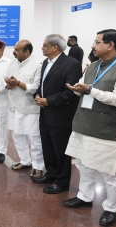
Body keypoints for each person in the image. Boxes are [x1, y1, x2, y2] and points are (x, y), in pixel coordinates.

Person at [63, 29, 116, 227]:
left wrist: (90, 89)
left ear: (110, 45)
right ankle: (84, 197)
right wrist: (78, 89)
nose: (92, 46)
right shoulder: (94, 65)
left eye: (96, 42)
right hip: (85, 123)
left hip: (108, 129)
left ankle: (112, 208)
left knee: (110, 173)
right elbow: (84, 86)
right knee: (84, 165)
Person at [32, 34, 82, 194]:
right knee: (47, 145)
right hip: (45, 113)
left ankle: (61, 181)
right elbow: (43, 84)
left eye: (45, 45)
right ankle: (51, 173)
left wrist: (49, 101)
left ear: (55, 47)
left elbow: (71, 92)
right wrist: (38, 96)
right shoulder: (46, 62)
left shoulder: (71, 64)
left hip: (61, 114)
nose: (42, 48)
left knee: (60, 148)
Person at [5, 40, 44, 177]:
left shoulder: (37, 65)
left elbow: (36, 87)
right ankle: (25, 160)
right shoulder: (12, 63)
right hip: (14, 107)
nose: (13, 51)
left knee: (34, 139)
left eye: (17, 49)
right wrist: (8, 85)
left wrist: (18, 83)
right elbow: (7, 81)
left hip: (29, 108)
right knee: (17, 136)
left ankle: (38, 166)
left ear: (26, 52)